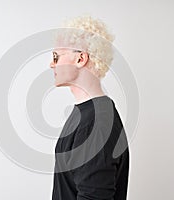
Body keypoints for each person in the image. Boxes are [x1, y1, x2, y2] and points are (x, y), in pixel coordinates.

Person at [50, 15, 130, 200]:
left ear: (81, 59)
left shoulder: (94, 124)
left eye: (56, 56)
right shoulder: (88, 114)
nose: (51, 64)